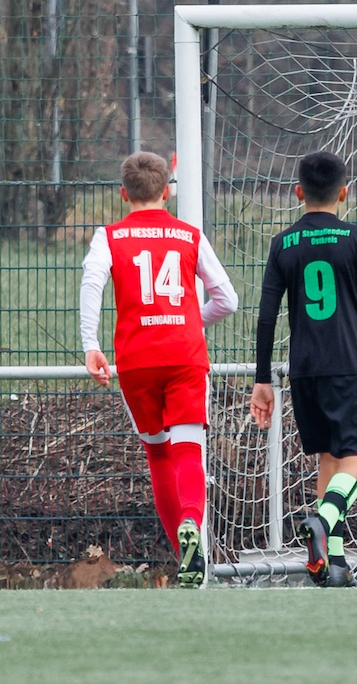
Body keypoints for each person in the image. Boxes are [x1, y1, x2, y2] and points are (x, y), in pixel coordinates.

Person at [80, 151, 238, 588]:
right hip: (184, 356)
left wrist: (91, 345)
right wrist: (188, 320)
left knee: (158, 454)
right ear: (167, 191)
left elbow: (92, 281)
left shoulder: (109, 237)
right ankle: (191, 522)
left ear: (123, 194)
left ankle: (183, 555)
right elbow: (227, 300)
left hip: (137, 361)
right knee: (188, 450)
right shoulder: (189, 235)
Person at [249, 151, 357, 588]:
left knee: (329, 459)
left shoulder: (283, 243)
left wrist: (262, 379)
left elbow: (266, 317)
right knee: (356, 457)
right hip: (346, 366)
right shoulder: (356, 238)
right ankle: (324, 519)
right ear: (344, 193)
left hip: (303, 371)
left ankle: (332, 563)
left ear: (298, 193)